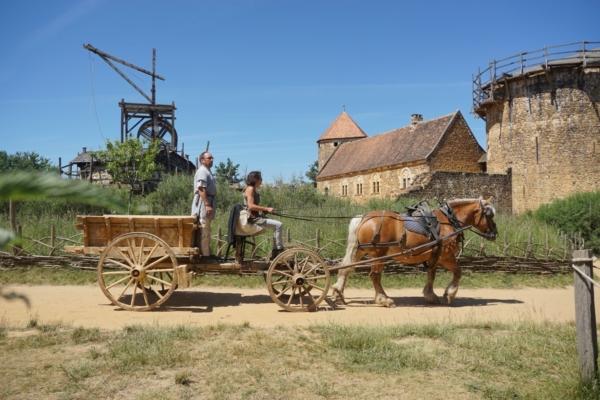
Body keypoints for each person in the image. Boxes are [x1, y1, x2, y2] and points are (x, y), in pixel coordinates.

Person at [243, 171, 284, 259]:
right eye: (260, 179)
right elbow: (250, 206)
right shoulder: (250, 189)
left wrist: (264, 211)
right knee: (278, 225)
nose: (261, 181)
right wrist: (266, 209)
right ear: (256, 179)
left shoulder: (252, 189)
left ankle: (275, 250)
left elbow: (253, 207)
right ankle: (279, 250)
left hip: (256, 216)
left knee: (276, 225)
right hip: (253, 219)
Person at [191, 151, 217, 258]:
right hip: (203, 203)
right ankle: (205, 256)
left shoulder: (207, 171)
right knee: (204, 227)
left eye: (212, 158)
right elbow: (201, 189)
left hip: (207, 200)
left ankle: (205, 253)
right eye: (209, 158)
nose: (211, 160)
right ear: (202, 160)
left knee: (206, 228)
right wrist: (207, 204)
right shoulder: (202, 171)